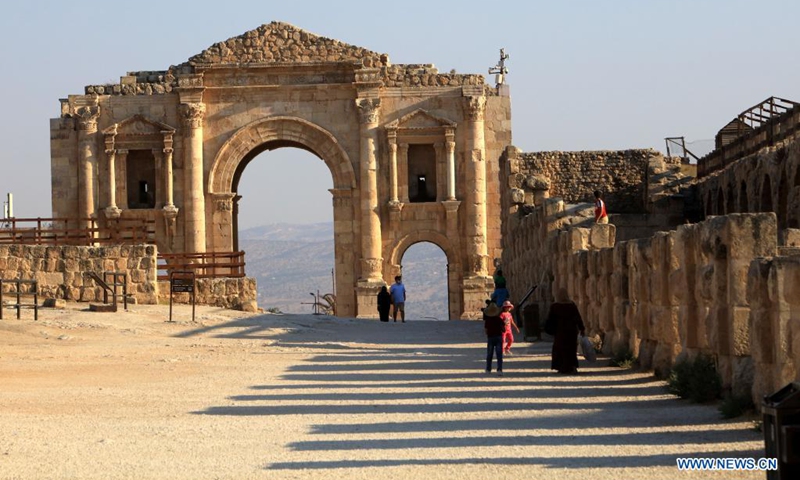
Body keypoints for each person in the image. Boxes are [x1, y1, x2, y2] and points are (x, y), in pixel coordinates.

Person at [546, 287, 586, 374]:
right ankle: (572, 366)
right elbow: (577, 318)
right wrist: (581, 328)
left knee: (560, 349)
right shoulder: (571, 305)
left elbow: (550, 319)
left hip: (560, 331)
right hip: (571, 331)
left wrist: (549, 330)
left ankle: (561, 367)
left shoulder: (555, 306)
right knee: (571, 349)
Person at [483, 302, 505, 376]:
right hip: (498, 337)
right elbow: (503, 330)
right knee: (499, 355)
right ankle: (499, 369)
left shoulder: (487, 320)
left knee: (489, 354)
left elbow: (486, 330)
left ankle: (488, 369)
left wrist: (489, 333)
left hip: (490, 337)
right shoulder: (499, 319)